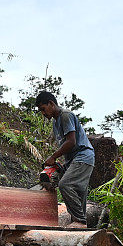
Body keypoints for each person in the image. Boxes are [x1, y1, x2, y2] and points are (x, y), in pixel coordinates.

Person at [35, 91, 94, 227]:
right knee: (79, 190)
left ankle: (80, 221)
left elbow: (71, 142)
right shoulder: (56, 123)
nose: (43, 113)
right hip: (74, 158)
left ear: (51, 103)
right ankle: (78, 223)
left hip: (83, 155)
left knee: (65, 184)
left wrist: (53, 157)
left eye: (43, 109)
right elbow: (66, 146)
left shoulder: (65, 115)